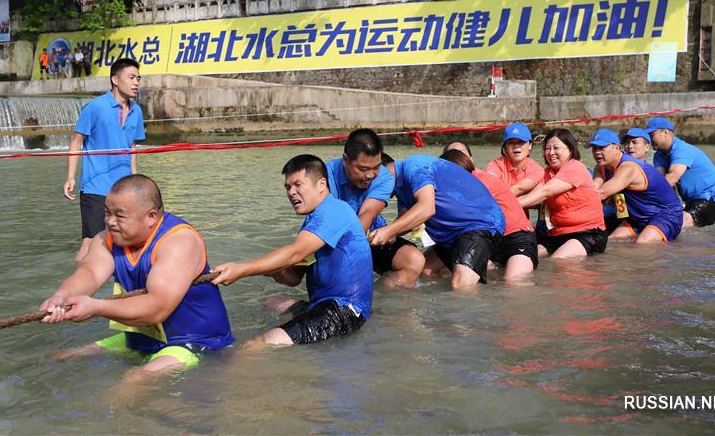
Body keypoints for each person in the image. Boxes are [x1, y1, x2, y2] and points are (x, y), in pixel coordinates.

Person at [40, 175, 234, 374]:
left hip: (195, 341)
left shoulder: (178, 241)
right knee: (64, 356)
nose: (110, 222)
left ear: (151, 217)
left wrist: (96, 307)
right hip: (143, 339)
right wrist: (61, 296)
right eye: (107, 213)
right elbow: (90, 273)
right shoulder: (106, 239)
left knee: (135, 377)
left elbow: (158, 308)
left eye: (120, 215)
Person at [212, 155, 373, 347]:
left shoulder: (334, 211)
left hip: (345, 311)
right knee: (272, 302)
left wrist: (242, 269)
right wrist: (270, 269)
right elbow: (293, 277)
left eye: (298, 185)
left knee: (258, 344)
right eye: (288, 187)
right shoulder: (312, 222)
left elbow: (295, 253)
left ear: (321, 184)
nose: (291, 192)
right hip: (322, 305)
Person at [372, 154, 505, 288]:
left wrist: (388, 231)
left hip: (479, 225)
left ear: (381, 173)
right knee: (424, 273)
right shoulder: (400, 186)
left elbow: (426, 208)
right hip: (451, 236)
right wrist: (382, 235)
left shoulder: (414, 167)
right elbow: (406, 219)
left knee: (461, 285)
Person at [64, 58, 145, 263]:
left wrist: (135, 180)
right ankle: (75, 288)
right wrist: (70, 177)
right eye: (131, 77)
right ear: (115, 80)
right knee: (90, 242)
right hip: (95, 188)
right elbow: (76, 142)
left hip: (123, 190)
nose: (136, 82)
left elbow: (132, 146)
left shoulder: (137, 111)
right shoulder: (96, 107)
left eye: (138, 78)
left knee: (124, 240)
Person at [326, 129, 424, 288]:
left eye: (376, 167)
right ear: (345, 160)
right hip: (332, 238)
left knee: (413, 260)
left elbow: (367, 214)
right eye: (363, 169)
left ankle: (377, 297)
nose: (371, 175)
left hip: (368, 234)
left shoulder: (384, 177)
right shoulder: (324, 176)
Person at [441, 142, 536, 281]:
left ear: (470, 159)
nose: (457, 158)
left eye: (461, 154)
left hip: (517, 236)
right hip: (486, 238)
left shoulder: (481, 181)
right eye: (452, 155)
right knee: (430, 269)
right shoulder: (453, 184)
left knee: (514, 282)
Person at [516, 129, 607, 258]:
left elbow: (545, 192)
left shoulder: (575, 167)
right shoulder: (547, 172)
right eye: (547, 148)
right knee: (524, 255)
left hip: (588, 233)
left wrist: (511, 205)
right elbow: (533, 193)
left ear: (570, 149)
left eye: (556, 148)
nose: (551, 152)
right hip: (557, 234)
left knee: (558, 260)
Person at [587, 129, 684, 244]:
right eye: (594, 148)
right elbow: (593, 189)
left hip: (666, 215)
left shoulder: (629, 168)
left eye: (602, 148)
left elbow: (601, 194)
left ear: (616, 148)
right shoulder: (601, 167)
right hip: (637, 217)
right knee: (611, 242)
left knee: (642, 243)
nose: (597, 152)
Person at [646, 117, 715, 227]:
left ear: (665, 132)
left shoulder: (682, 150)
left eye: (651, 135)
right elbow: (660, 181)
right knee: (667, 225)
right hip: (692, 201)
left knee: (670, 225)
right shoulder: (659, 156)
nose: (649, 140)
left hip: (712, 199)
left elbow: (671, 179)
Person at [485, 123, 544, 199]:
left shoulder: (537, 170)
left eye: (521, 142)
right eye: (511, 142)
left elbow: (519, 188)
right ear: (505, 147)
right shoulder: (494, 166)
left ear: (530, 145)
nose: (516, 146)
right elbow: (491, 190)